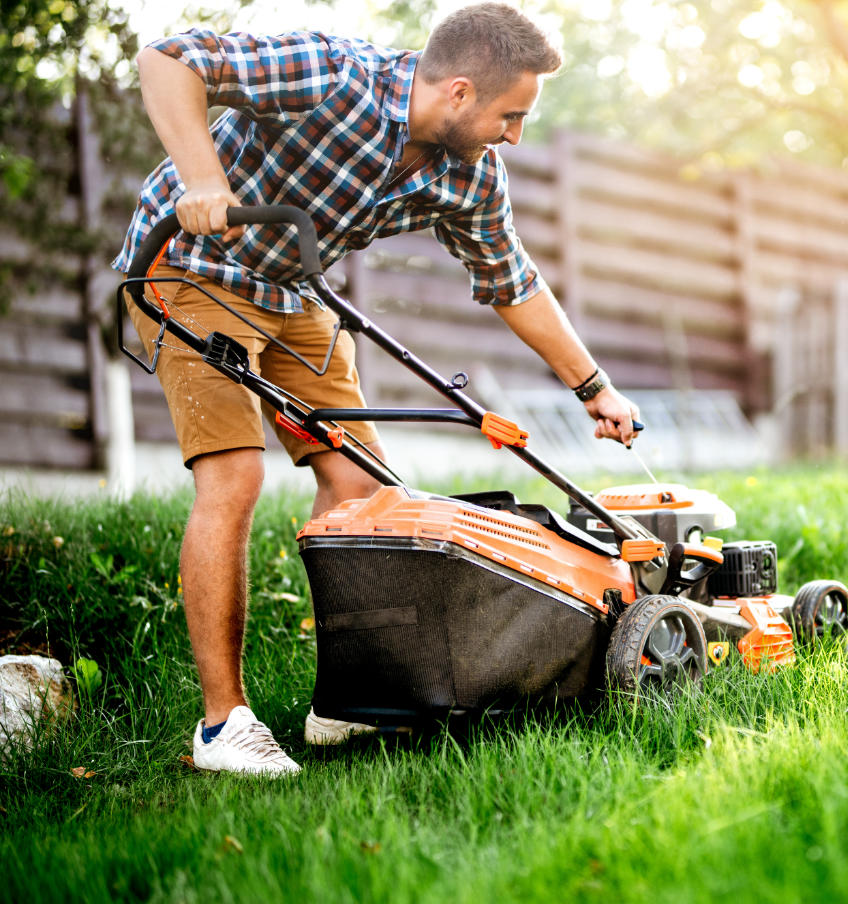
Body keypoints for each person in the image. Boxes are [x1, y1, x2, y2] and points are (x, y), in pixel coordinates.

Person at [114, 2, 640, 776]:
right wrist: (202, 178)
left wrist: (593, 387)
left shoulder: (469, 174)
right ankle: (223, 727)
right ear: (458, 92)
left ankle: (347, 704)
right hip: (189, 265)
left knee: (361, 492)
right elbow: (168, 58)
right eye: (511, 115)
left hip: (292, 289)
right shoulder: (335, 74)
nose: (515, 135)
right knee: (234, 473)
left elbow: (512, 283)